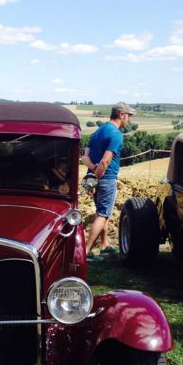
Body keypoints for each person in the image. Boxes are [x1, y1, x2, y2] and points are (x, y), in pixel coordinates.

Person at [81, 101, 135, 260]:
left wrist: (91, 178)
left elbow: (85, 157)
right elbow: (105, 162)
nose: (129, 120)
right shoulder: (116, 134)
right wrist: (96, 179)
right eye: (128, 116)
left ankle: (105, 245)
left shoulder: (98, 132)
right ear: (121, 115)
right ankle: (86, 252)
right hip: (107, 179)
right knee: (102, 214)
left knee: (103, 212)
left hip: (95, 178)